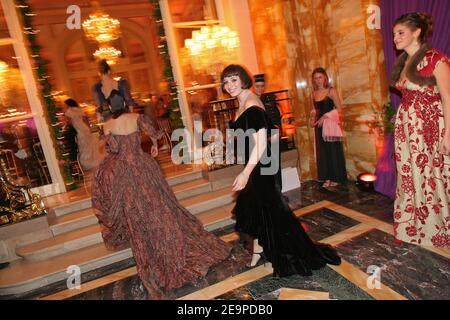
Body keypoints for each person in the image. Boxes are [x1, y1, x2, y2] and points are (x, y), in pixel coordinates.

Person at [91, 89, 231, 299]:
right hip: (144, 168)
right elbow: (157, 135)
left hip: (124, 175)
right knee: (161, 208)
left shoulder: (108, 125)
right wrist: (154, 147)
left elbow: (110, 150)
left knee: (136, 218)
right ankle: (170, 250)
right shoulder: (137, 118)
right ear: (126, 103)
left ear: (111, 106)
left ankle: (152, 259)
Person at [222, 64, 340, 276]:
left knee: (273, 213)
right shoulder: (242, 101)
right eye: (226, 81)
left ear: (243, 79)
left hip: (261, 164)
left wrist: (245, 172)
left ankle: (291, 252)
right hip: (255, 163)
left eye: (233, 80)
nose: (229, 85)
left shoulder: (251, 104)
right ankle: (258, 250)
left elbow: (261, 144)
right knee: (259, 210)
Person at [391, 13, 450, 247]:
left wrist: (449, 134)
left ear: (416, 32)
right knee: (411, 177)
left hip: (429, 129)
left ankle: (439, 226)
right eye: (394, 33)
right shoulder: (405, 62)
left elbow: (447, 97)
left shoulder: (436, 59)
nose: (395, 38)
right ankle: (415, 225)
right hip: (408, 132)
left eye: (400, 33)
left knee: (431, 176)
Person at [310, 67, 347, 188]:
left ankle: (336, 177)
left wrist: (325, 116)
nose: (318, 80)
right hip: (319, 126)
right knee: (323, 153)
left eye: (320, 77)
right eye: (315, 78)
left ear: (325, 77)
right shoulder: (313, 93)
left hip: (330, 124)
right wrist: (312, 116)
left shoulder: (331, 91)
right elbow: (314, 109)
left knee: (333, 151)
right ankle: (327, 177)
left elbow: (340, 109)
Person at [253, 73, 283, 190]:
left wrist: (276, 131)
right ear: (252, 87)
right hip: (261, 141)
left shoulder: (269, 99)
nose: (260, 89)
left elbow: (276, 118)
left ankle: (279, 193)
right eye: (257, 86)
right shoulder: (251, 101)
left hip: (273, 138)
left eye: (262, 86)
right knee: (265, 168)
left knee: (276, 167)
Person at [64, 99, 104, 171]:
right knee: (88, 145)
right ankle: (89, 160)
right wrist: (88, 128)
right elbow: (86, 120)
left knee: (82, 146)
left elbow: (69, 121)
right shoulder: (79, 110)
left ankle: (85, 162)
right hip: (84, 128)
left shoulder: (69, 111)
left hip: (78, 129)